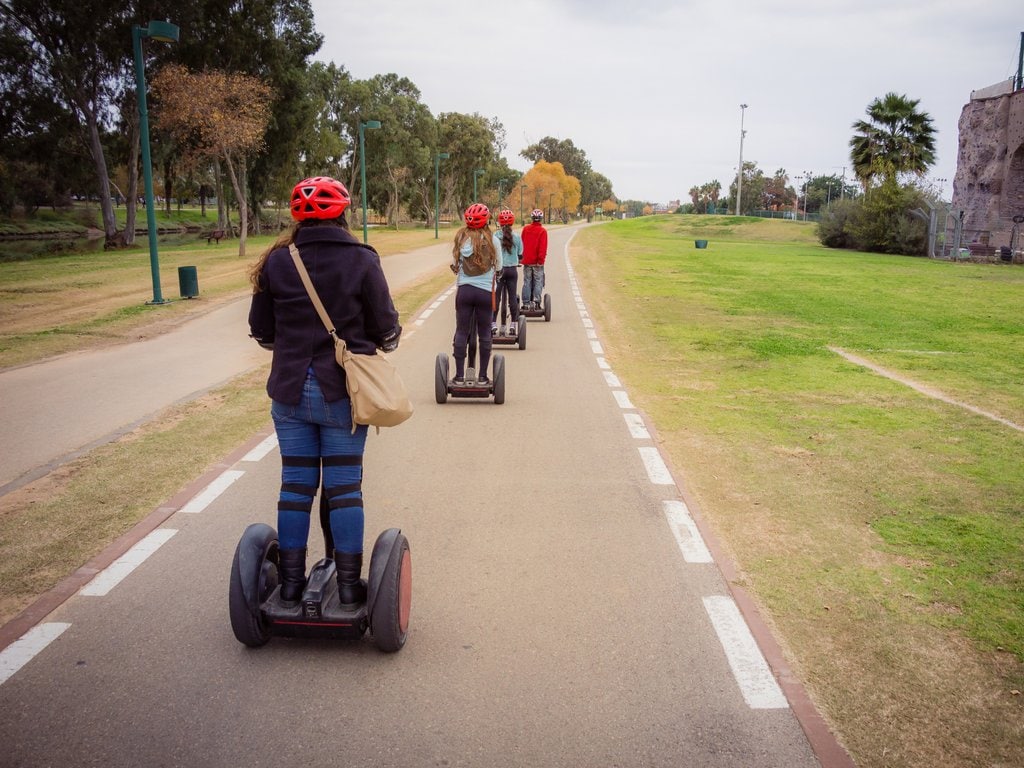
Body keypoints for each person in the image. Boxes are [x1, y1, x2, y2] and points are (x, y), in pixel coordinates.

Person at [247, 176, 402, 608]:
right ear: (343, 212)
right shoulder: (362, 258)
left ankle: (292, 585)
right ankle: (351, 589)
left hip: (290, 392)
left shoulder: (276, 261)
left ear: (296, 217)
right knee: (343, 488)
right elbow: (385, 327)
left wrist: (296, 342)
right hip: (341, 393)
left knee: (296, 486)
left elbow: (261, 331)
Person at [450, 203, 498, 383]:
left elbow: (455, 263)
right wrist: (497, 271)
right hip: (485, 292)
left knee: (462, 331)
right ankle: (483, 376)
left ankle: (460, 376)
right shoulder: (493, 240)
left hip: (465, 291)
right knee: (485, 332)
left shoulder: (461, 238)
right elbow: (499, 264)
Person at [492, 208, 523, 335]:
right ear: (512, 222)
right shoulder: (516, 237)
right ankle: (513, 324)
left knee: (496, 297)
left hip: (499, 271)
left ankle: (493, 323)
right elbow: (521, 254)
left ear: (499, 222)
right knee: (512, 298)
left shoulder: (495, 236)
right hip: (512, 271)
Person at [521, 207, 548, 309]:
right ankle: (536, 303)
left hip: (527, 261)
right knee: (538, 281)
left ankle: (526, 303)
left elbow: (522, 244)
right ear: (541, 219)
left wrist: (522, 258)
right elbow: (542, 248)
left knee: (527, 281)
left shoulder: (525, 229)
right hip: (537, 262)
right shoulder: (542, 231)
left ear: (532, 218)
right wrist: (541, 261)